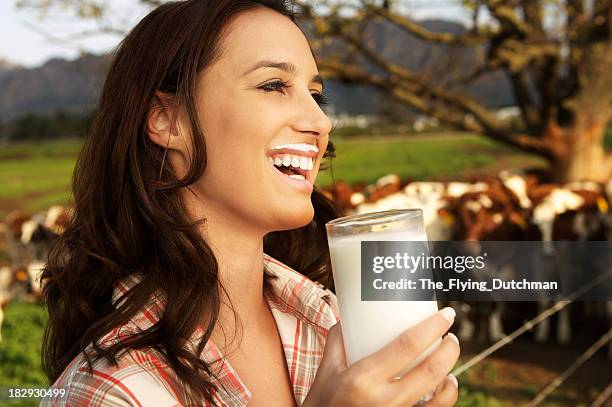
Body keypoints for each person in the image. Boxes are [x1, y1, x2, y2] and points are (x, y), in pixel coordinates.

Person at [40, 0, 460, 406]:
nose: (321, 122)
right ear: (167, 120)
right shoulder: (110, 392)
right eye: (274, 85)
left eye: (316, 95)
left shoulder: (329, 324)